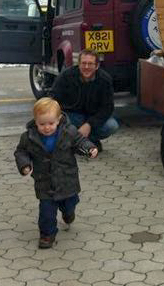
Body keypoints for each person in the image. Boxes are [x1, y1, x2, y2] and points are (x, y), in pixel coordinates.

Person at [14, 97, 98, 249]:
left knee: (70, 203)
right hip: (44, 181)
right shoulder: (29, 137)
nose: (47, 128)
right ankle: (47, 234)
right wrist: (25, 165)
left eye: (51, 123)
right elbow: (21, 152)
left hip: (67, 179)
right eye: (42, 124)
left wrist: (89, 149)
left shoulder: (69, 132)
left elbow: (80, 141)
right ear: (35, 121)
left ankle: (68, 213)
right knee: (46, 210)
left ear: (59, 120)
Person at [49, 49, 119, 152]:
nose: (86, 67)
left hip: (93, 117)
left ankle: (89, 140)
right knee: (59, 122)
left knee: (112, 126)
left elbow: (107, 108)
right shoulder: (66, 76)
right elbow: (53, 98)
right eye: (84, 63)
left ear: (97, 66)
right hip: (72, 116)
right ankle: (81, 142)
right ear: (79, 64)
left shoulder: (105, 80)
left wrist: (89, 124)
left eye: (90, 64)